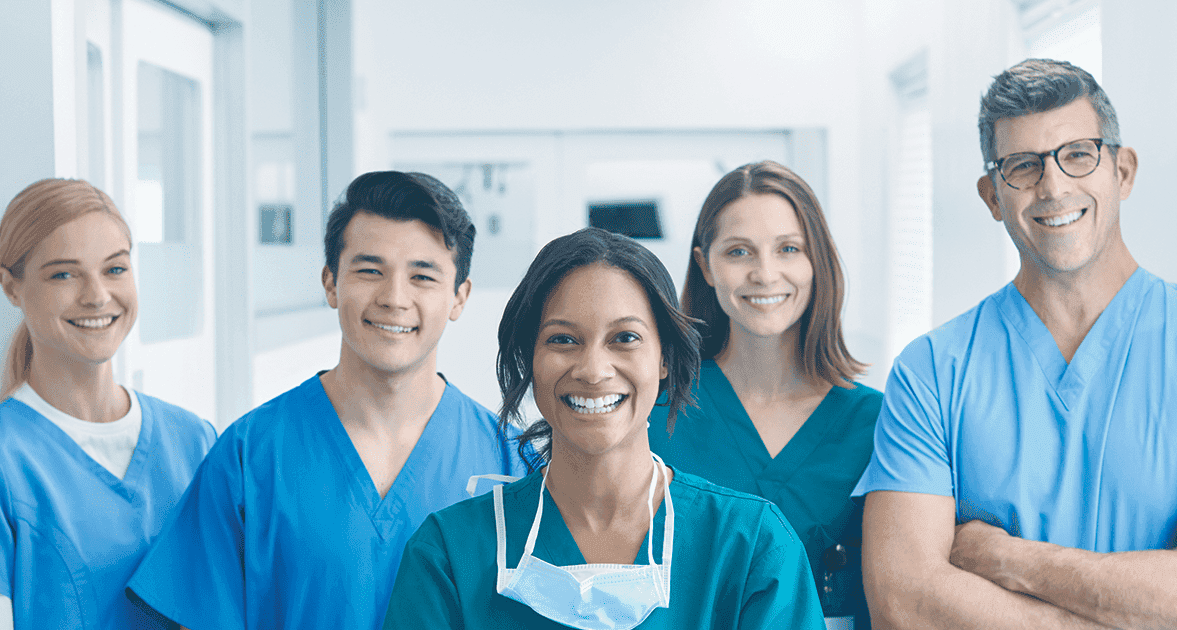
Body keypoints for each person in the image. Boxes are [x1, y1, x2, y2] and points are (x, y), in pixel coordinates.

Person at [854, 58, 1177, 629]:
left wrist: (1007, 560)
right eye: (1023, 166)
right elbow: (905, 604)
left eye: (1079, 154)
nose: (1054, 186)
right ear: (992, 196)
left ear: (1125, 171)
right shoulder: (933, 371)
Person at [127, 171, 524, 630]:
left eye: (422, 276)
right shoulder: (250, 456)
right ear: (331, 283)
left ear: (459, 297)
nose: (395, 298)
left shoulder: (512, 464)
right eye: (370, 270)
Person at [383, 227, 824, 630]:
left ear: (664, 358)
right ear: (529, 360)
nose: (593, 370)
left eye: (625, 338)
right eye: (563, 339)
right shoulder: (449, 554)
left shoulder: (749, 548)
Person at [649, 161, 883, 628]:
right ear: (705, 266)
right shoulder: (656, 416)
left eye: (788, 249)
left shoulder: (875, 422)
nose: (765, 273)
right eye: (739, 252)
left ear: (816, 260)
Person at [0, 179, 215, 630]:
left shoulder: (194, 441)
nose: (97, 295)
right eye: (63, 274)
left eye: (115, 269)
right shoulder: (9, 458)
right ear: (11, 288)